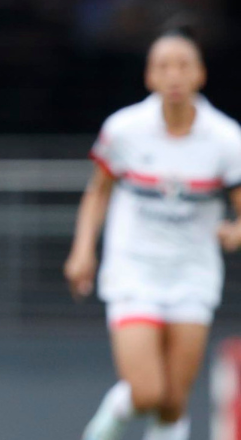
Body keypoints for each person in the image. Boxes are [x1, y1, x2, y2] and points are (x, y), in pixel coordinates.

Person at [65, 30, 241, 440]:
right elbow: (98, 191)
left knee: (173, 401)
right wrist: (82, 251)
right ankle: (115, 412)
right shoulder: (124, 129)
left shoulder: (226, 138)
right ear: (149, 77)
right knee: (147, 392)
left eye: (183, 65)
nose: (174, 75)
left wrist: (236, 232)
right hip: (134, 268)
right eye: (163, 66)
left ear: (200, 75)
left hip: (193, 273)